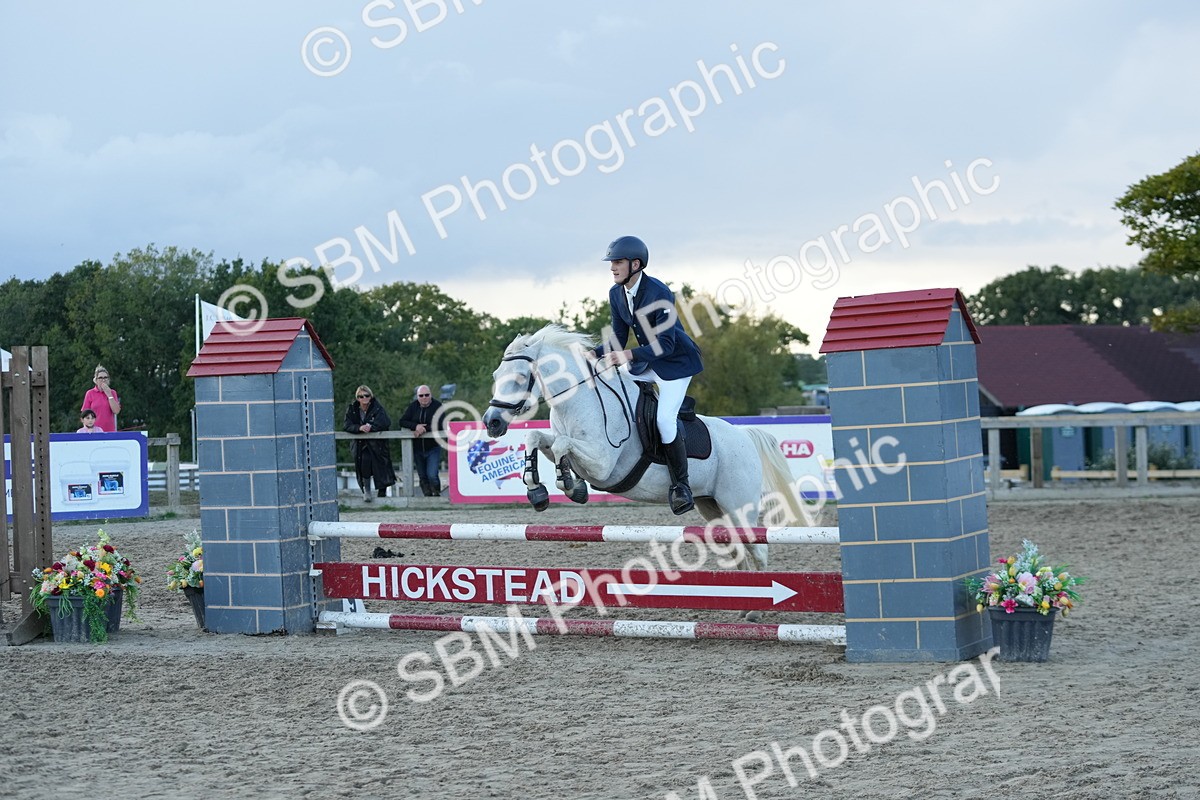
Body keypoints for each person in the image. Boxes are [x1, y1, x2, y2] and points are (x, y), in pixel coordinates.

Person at [591, 235, 703, 515]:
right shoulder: (616, 294)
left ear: (635, 264)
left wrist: (627, 355)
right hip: (647, 362)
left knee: (666, 420)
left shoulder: (659, 292)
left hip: (676, 364)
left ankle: (681, 486)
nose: (612, 268)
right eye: (611, 263)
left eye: (617, 262)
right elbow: (618, 337)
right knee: (619, 392)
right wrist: (592, 353)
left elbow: (665, 345)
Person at [342, 385, 397, 502]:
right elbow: (347, 425)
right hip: (360, 444)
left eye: (366, 395)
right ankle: (367, 491)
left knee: (381, 465)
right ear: (357, 398)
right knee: (364, 463)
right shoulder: (352, 409)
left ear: (370, 396)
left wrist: (371, 427)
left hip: (377, 444)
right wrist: (359, 428)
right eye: (361, 396)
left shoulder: (377, 407)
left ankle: (382, 493)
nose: (364, 398)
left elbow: (385, 422)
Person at [399, 385, 445, 496]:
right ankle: (427, 499)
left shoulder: (438, 406)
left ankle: (437, 494)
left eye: (426, 395)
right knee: (422, 476)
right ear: (417, 397)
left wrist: (424, 429)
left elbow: (441, 423)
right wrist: (416, 426)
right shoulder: (413, 407)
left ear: (431, 395)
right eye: (421, 395)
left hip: (433, 447)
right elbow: (402, 421)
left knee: (432, 475)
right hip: (417, 448)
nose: (424, 397)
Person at [81, 364, 121, 433]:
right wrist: (87, 430)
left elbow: (116, 411)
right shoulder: (90, 393)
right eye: (100, 378)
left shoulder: (112, 392)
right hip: (94, 431)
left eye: (105, 377)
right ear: (96, 380)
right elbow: (84, 414)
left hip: (109, 431)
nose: (103, 380)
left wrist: (109, 394)